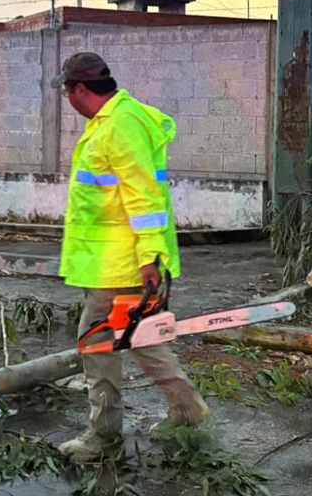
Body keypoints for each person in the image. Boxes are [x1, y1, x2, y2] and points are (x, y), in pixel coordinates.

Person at [52, 52, 209, 462]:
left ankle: (103, 435)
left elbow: (144, 198)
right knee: (141, 338)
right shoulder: (113, 120)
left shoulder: (120, 125)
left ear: (80, 89)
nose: (67, 99)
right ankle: (188, 410)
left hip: (121, 262)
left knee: (96, 338)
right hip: (117, 258)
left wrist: (149, 256)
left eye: (67, 90)